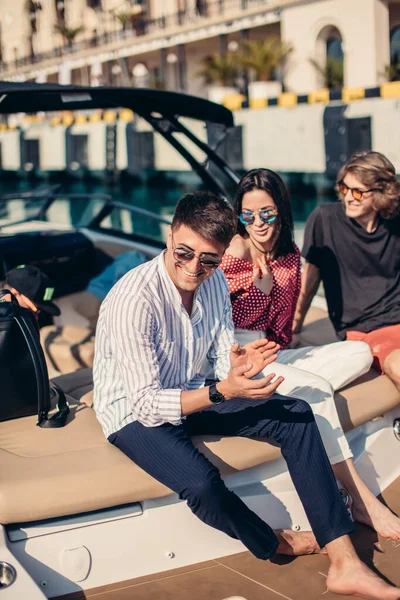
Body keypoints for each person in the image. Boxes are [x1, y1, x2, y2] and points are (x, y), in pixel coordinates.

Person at [94, 190, 400, 599]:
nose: (193, 268)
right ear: (169, 236)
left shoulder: (215, 280)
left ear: (222, 255)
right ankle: (272, 542)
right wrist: (223, 391)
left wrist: (237, 367)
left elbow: (221, 355)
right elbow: (149, 405)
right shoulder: (135, 301)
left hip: (191, 387)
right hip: (132, 411)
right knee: (202, 485)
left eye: (208, 259)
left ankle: (345, 561)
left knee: (296, 414)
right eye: (184, 252)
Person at [219, 167, 400, 540]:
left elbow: (283, 330)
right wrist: (254, 288)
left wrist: (273, 294)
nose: (258, 223)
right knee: (315, 388)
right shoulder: (228, 251)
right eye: (248, 215)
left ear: (281, 211)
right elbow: (207, 317)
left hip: (271, 350)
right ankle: (361, 499)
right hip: (229, 352)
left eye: (267, 214)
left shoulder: (288, 257)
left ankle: (283, 393)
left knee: (359, 354)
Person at [293, 151, 400, 392]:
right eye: (344, 188)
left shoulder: (395, 220)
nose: (349, 197)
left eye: (358, 192)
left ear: (381, 194)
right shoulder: (325, 219)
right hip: (365, 328)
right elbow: (309, 280)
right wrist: (295, 329)